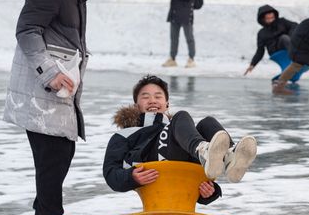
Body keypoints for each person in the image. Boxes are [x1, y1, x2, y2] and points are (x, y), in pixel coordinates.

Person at [3, 0, 124, 215]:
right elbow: (26, 30)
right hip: (42, 91)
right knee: (52, 158)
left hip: (56, 92)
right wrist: (51, 72)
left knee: (59, 154)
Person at [103, 75, 258, 202]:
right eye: (145, 97)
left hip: (180, 164)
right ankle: (203, 151)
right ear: (136, 105)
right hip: (152, 166)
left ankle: (230, 159)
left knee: (207, 123)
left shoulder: (178, 129)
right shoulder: (125, 134)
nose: (152, 100)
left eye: (158, 96)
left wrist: (208, 192)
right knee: (181, 116)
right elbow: (110, 173)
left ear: (167, 104)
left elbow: (194, 182)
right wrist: (131, 177)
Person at [162, 0, 201, 69]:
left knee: (189, 37)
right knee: (173, 37)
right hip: (174, 12)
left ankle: (191, 59)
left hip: (186, 12)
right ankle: (172, 59)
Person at [243, 4, 297, 76]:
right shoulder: (261, 33)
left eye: (272, 18)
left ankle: (297, 59)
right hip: (274, 51)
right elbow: (260, 50)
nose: (271, 20)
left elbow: (295, 26)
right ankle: (296, 59)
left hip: (286, 45)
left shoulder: (282, 22)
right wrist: (253, 64)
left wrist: (291, 35)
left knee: (288, 38)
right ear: (263, 19)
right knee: (284, 38)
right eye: (268, 19)